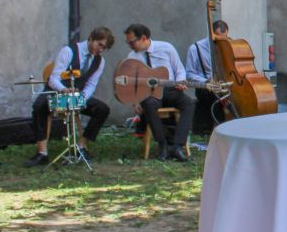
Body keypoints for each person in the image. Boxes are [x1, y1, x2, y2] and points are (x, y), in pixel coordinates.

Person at [25, 27, 115, 167]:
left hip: (76, 95)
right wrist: (64, 90)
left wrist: (81, 98)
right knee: (39, 106)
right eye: (100, 45)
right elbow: (54, 79)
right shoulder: (69, 51)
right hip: (57, 91)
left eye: (105, 48)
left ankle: (81, 146)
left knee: (102, 109)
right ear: (91, 38)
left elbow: (91, 84)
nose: (101, 50)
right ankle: (42, 153)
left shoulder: (100, 62)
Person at [123, 23, 194, 162]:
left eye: (132, 42)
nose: (130, 45)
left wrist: (180, 81)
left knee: (189, 103)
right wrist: (135, 101)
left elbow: (179, 69)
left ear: (143, 38)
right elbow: (132, 83)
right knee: (149, 105)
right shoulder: (132, 57)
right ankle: (163, 145)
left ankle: (177, 146)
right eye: (128, 42)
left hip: (170, 89)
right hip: (149, 93)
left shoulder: (166, 48)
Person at [184, 19, 230, 136]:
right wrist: (206, 81)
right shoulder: (195, 48)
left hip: (225, 84)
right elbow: (189, 73)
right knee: (213, 96)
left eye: (224, 38)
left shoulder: (228, 46)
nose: (221, 41)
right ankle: (215, 130)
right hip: (206, 86)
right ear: (211, 34)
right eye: (218, 38)